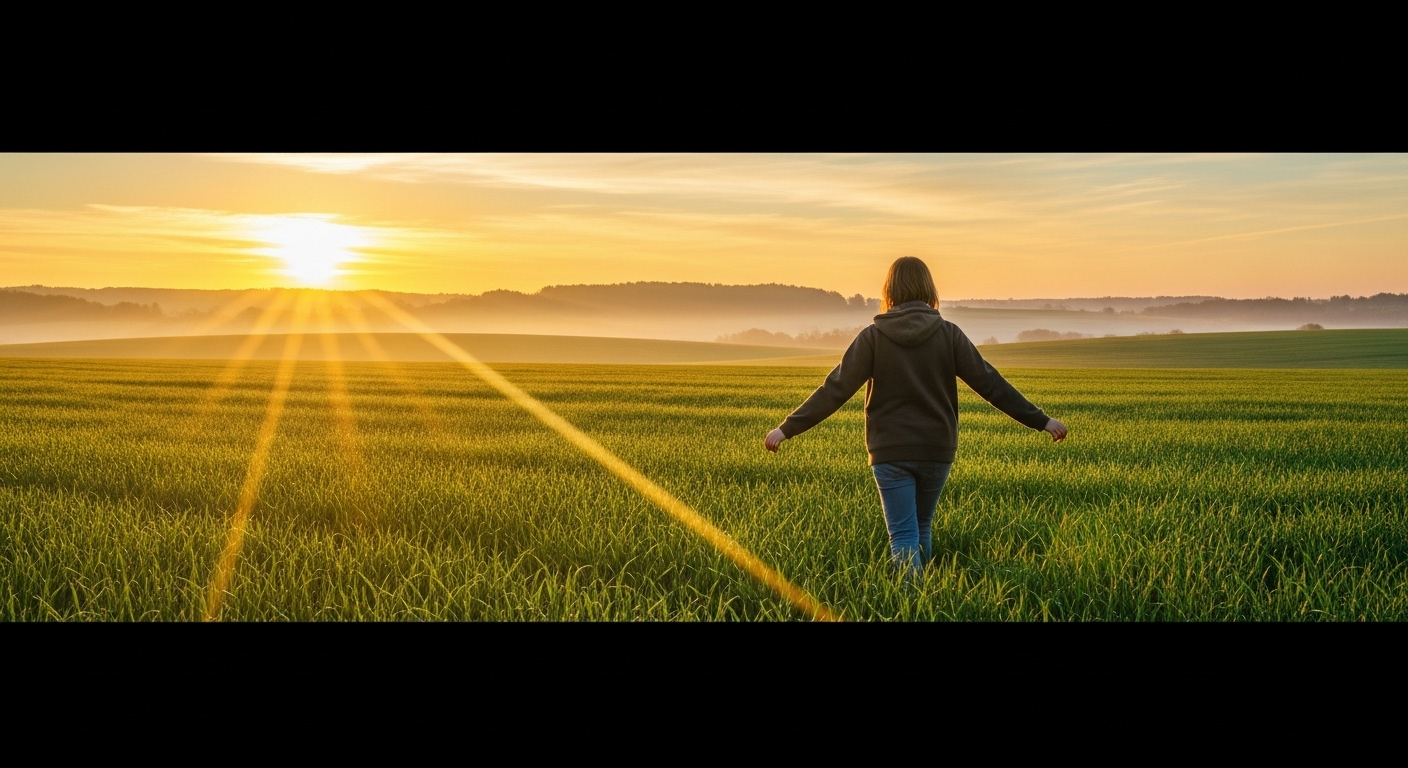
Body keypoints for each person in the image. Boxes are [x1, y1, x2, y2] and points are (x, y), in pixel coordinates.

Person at [764, 257, 1067, 575]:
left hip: (890, 450)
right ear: (928, 288)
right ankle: (926, 596)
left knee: (903, 534)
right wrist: (1041, 421)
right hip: (937, 449)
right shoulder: (949, 334)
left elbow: (835, 390)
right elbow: (991, 384)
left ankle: (911, 598)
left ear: (890, 290)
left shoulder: (873, 337)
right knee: (922, 526)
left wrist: (787, 428)